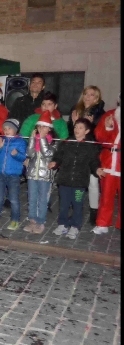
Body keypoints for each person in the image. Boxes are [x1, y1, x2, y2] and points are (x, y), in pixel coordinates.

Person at [50, 119, 101, 240]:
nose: (77, 130)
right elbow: (59, 156)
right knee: (64, 204)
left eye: (80, 128)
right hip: (64, 180)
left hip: (80, 183)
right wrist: (55, 162)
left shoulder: (90, 146)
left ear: (87, 131)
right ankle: (62, 224)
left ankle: (75, 226)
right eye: (75, 127)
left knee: (77, 204)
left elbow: (94, 161)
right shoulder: (67, 143)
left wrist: (97, 169)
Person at [69, 86, 106, 224]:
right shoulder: (76, 109)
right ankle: (75, 209)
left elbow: (101, 135)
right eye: (86, 94)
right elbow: (70, 133)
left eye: (92, 95)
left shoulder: (101, 114)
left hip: (91, 150)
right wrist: (73, 124)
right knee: (76, 181)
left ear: (97, 98)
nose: (88, 97)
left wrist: (91, 125)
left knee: (92, 182)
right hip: (76, 150)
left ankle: (94, 211)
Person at [24, 113, 59, 234]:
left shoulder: (54, 142)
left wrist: (42, 138)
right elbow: (30, 153)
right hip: (32, 174)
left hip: (45, 175)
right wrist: (32, 140)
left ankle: (41, 221)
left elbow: (48, 154)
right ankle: (32, 219)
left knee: (42, 199)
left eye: (44, 127)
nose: (41, 130)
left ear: (50, 128)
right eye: (39, 127)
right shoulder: (35, 138)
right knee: (32, 198)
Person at [0, 119, 27, 230]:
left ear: (15, 130)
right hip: (0, 173)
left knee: (13, 198)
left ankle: (15, 219)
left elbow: (23, 157)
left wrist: (16, 155)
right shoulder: (1, 140)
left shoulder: (20, 142)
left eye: (9, 128)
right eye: (4, 129)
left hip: (13, 175)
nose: (6, 131)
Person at [92, 104, 120, 234]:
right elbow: (99, 137)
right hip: (108, 161)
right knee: (106, 195)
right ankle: (103, 223)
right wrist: (107, 127)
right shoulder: (110, 114)